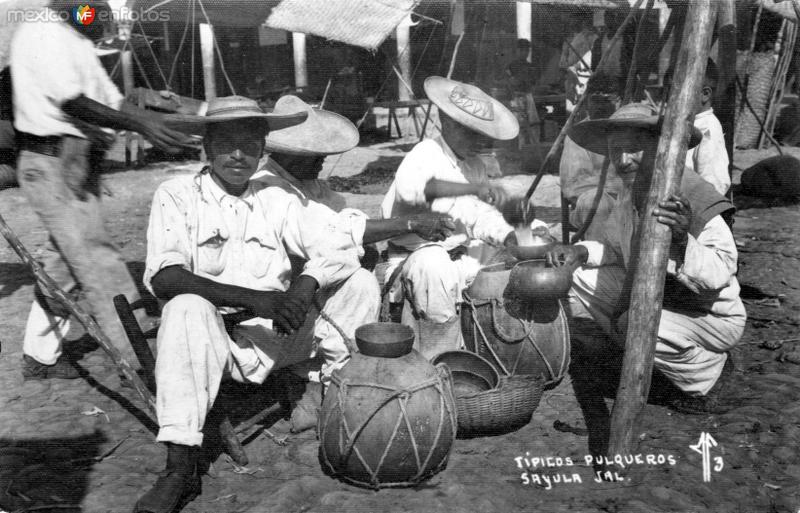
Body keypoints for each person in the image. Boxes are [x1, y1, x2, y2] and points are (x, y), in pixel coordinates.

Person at [133, 95, 381, 512]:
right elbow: (165, 276)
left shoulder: (275, 197)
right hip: (214, 344)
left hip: (276, 336)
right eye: (226, 143)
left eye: (250, 145)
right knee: (185, 307)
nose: (237, 154)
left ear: (264, 149)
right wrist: (257, 299)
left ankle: (324, 393)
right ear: (206, 147)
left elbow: (338, 243)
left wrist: (303, 287)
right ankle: (179, 468)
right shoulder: (176, 194)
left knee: (357, 281)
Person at [11, 0, 193, 380]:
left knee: (64, 266)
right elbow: (73, 102)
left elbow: (111, 101)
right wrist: (140, 124)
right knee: (98, 260)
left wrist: (165, 112)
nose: (100, 18)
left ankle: (39, 356)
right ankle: (143, 360)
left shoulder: (76, 39)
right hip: (50, 162)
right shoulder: (41, 30)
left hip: (77, 164)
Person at [253, 94, 456, 432]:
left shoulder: (310, 185)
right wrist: (410, 223)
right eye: (314, 154)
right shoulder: (271, 189)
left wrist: (361, 245)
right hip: (280, 310)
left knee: (357, 271)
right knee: (356, 275)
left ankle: (330, 382)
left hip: (314, 297)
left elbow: (344, 223)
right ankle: (319, 385)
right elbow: (332, 236)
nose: (322, 161)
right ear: (287, 152)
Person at [551, 102, 746, 414]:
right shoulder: (631, 193)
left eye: (634, 150)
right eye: (615, 151)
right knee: (575, 277)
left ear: (658, 147)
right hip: (658, 300)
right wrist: (580, 251)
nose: (623, 161)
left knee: (636, 323)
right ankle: (647, 351)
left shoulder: (694, 193)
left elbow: (722, 270)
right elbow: (616, 250)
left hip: (708, 314)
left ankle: (708, 377)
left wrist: (683, 240)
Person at [381, 76, 534, 359]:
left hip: (461, 255)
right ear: (446, 122)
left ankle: (491, 344)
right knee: (433, 263)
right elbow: (419, 191)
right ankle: (438, 357)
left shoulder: (474, 165)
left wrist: (510, 235)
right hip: (413, 259)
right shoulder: (424, 153)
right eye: (470, 133)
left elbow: (478, 214)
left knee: (523, 244)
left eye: (482, 134)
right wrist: (474, 188)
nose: (479, 141)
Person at [559, 73, 623, 241]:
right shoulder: (578, 135)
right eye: (596, 101)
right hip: (596, 205)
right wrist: (620, 185)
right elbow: (573, 186)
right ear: (586, 102)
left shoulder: (629, 129)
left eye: (608, 101)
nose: (601, 107)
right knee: (595, 203)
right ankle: (599, 260)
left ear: (620, 102)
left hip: (629, 200)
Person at [685, 59, 730, 196]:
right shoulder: (686, 123)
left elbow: (714, 187)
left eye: (676, 93)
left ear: (705, 94)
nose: (669, 99)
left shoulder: (707, 129)